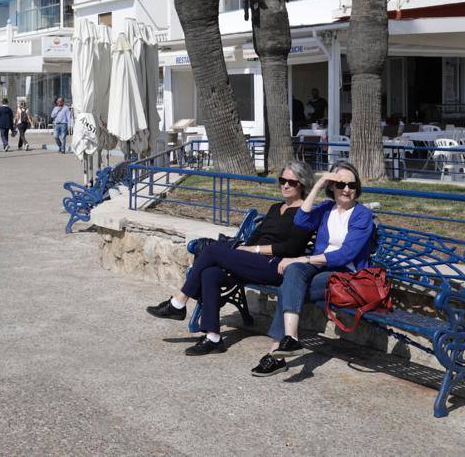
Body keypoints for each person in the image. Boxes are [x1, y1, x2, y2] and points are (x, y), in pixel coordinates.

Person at [146, 161, 316, 358]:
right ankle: (213, 337)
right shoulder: (275, 207)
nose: (285, 185)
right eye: (282, 180)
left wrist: (253, 250)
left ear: (302, 184)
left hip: (276, 267)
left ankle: (178, 302)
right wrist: (243, 251)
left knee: (212, 251)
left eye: (291, 182)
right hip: (253, 262)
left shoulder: (305, 213)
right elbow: (256, 235)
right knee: (210, 273)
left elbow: (291, 248)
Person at [253, 161, 375, 377]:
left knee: (289, 288)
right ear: (332, 187)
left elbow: (345, 255)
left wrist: (305, 258)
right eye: (340, 184)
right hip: (321, 267)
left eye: (351, 185)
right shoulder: (327, 209)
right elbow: (301, 220)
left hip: (344, 275)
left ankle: (276, 352)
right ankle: (290, 338)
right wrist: (317, 185)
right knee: (293, 273)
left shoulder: (362, 215)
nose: (346, 189)